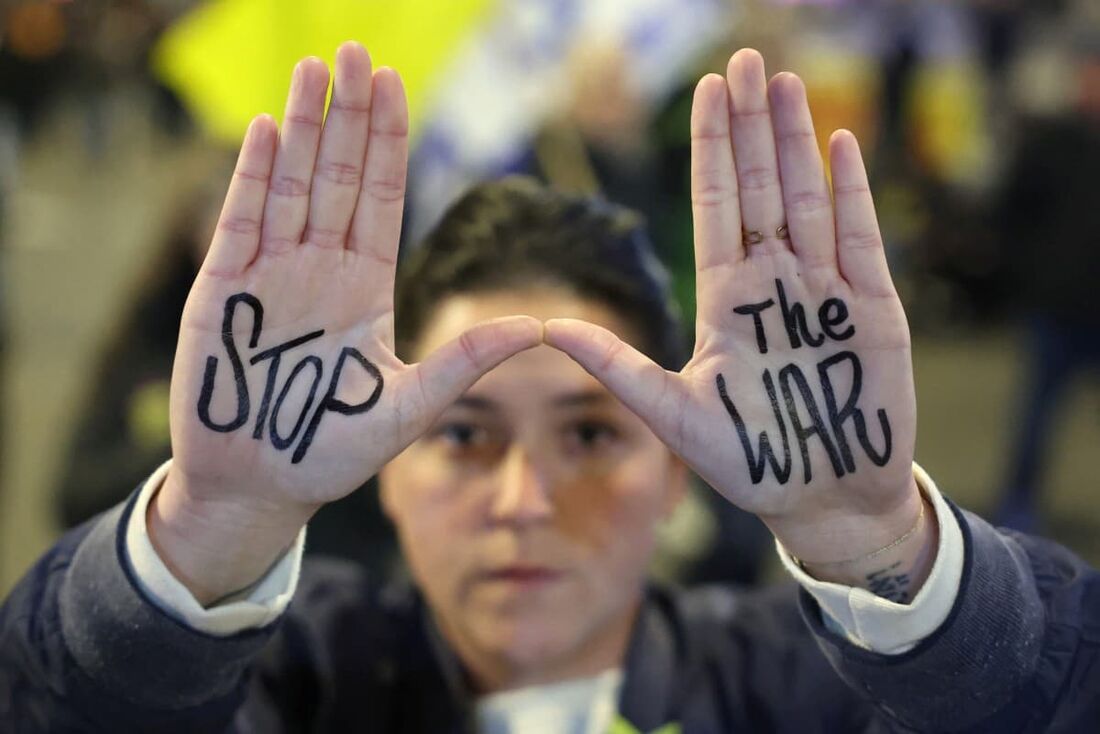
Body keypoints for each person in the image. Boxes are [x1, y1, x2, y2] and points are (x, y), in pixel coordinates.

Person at [1, 42, 1098, 732]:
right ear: (379, 474)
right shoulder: (287, 680)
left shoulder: (802, 684)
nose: (524, 498)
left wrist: (875, 544)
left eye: (588, 433)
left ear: (678, 473)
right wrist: (216, 528)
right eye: (465, 434)